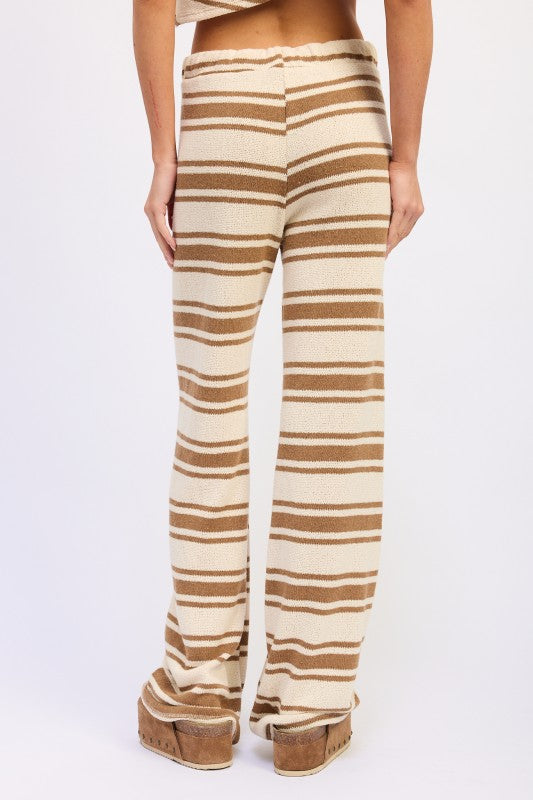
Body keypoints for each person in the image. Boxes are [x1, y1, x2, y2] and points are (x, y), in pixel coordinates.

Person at [133, 0, 432, 777]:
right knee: (336, 419)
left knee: (209, 404)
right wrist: (405, 158)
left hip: (225, 106)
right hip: (342, 109)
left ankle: (197, 700)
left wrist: (164, 156)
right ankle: (309, 708)